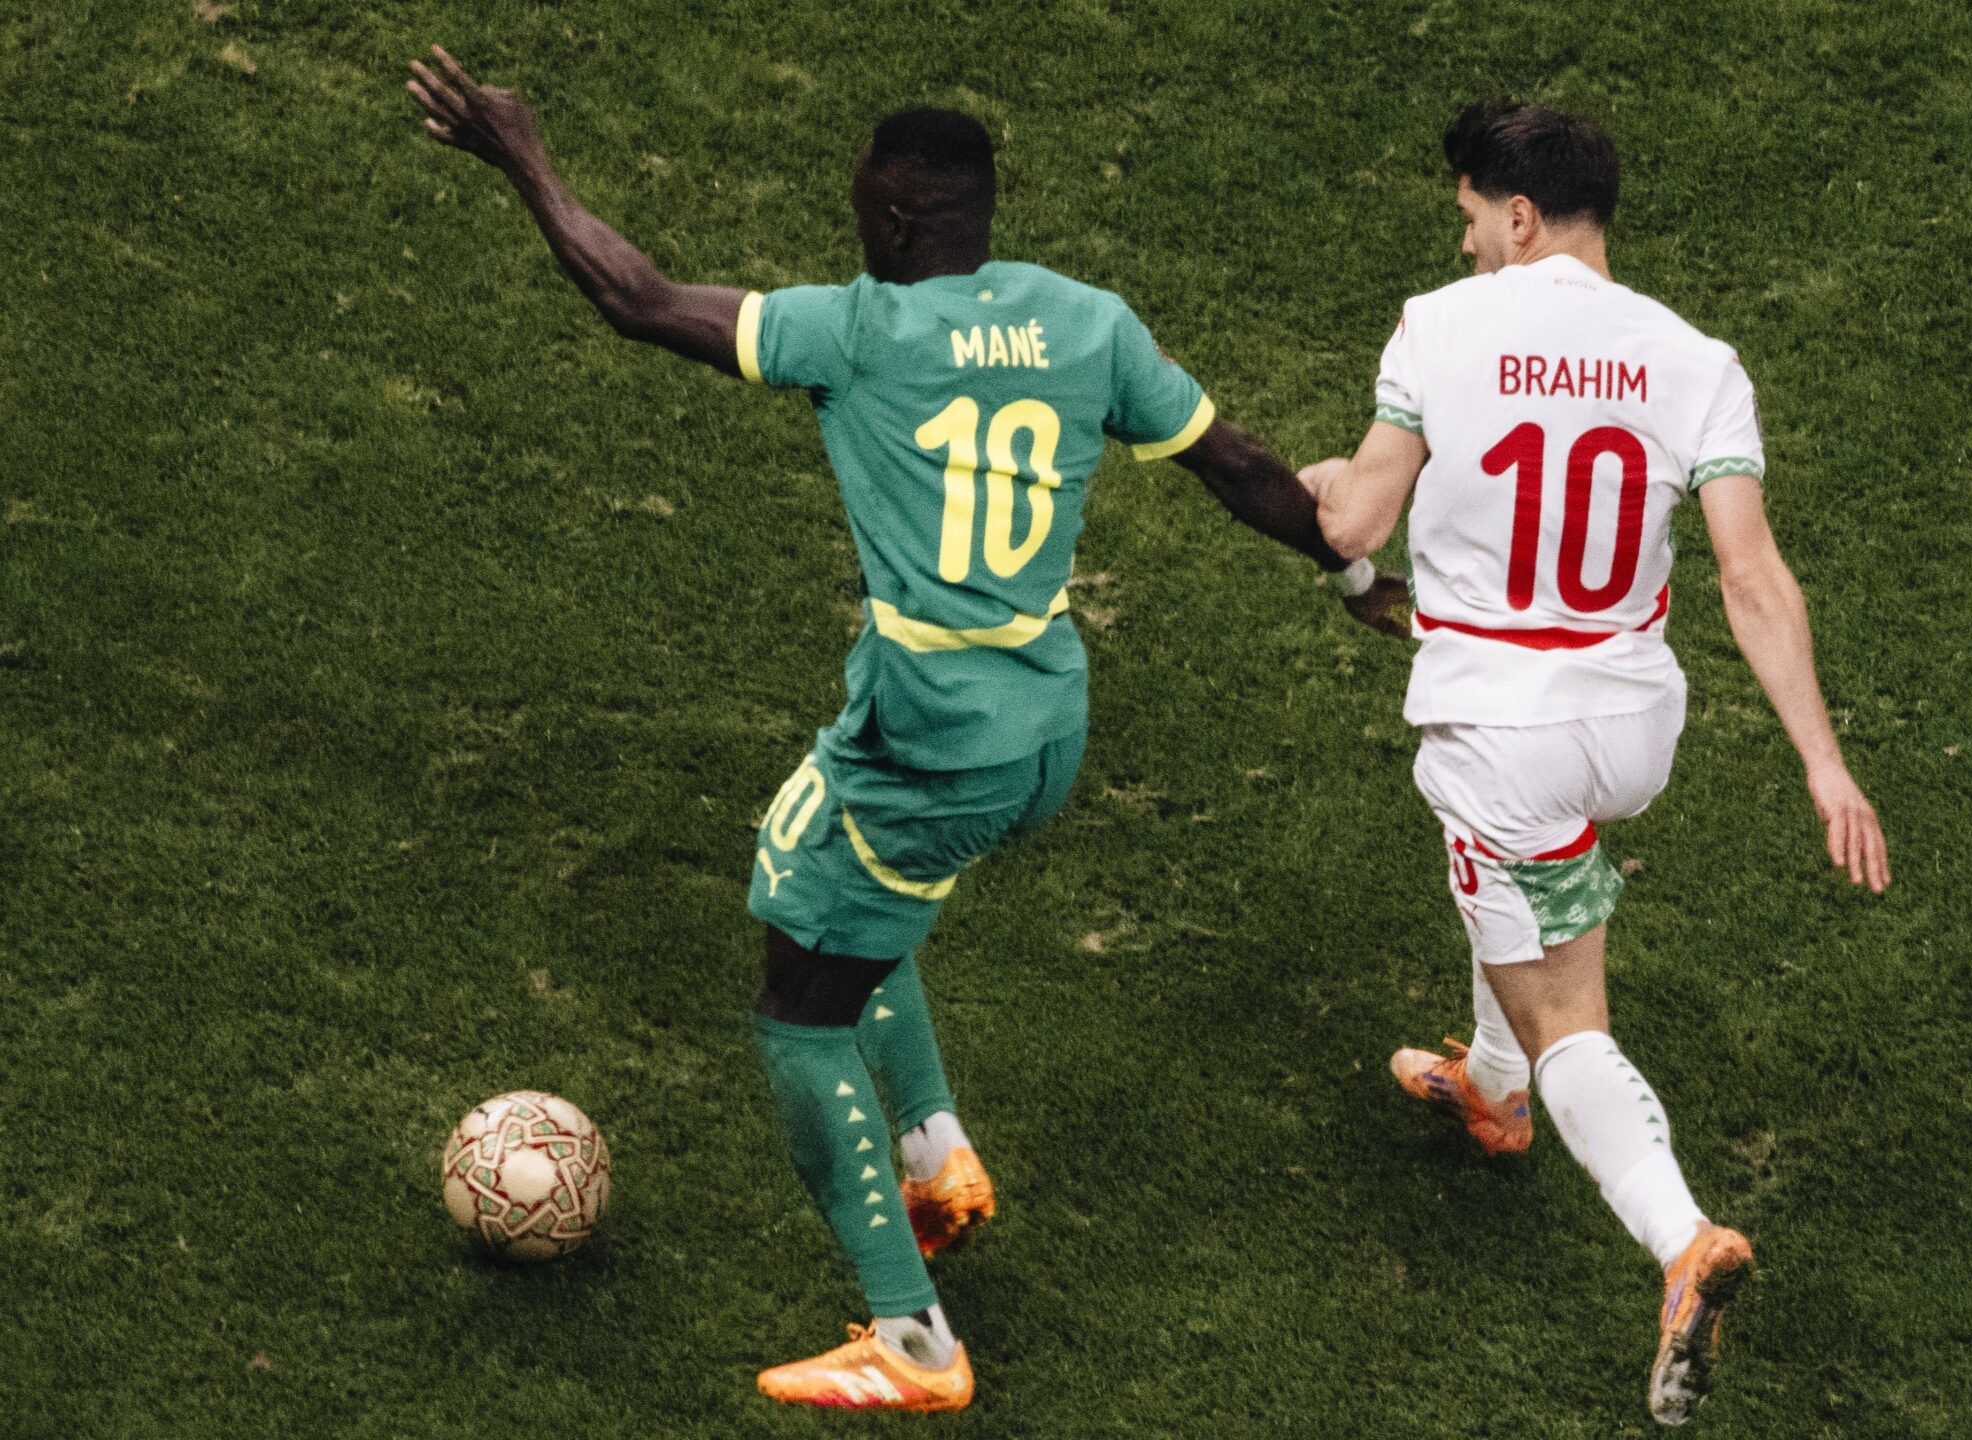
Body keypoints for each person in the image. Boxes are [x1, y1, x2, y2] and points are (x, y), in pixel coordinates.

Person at [403, 47, 1403, 1413]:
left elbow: (635, 299)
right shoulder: (1089, 323)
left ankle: (913, 1336)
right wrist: (1351, 569)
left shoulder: (860, 330)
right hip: (1043, 726)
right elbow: (1240, 470)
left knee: (798, 1009)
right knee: (818, 879)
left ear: (896, 214)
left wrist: (522, 155)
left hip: (931, 743)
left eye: (860, 204)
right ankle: (936, 1158)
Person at [1297, 96, 1891, 1426]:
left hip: (1507, 737)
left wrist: (1322, 497)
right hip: (1630, 728)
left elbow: (1359, 519)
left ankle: (1683, 1241)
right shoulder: (1696, 360)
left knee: (1566, 1008)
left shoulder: (1439, 326)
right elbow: (1752, 578)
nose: (1463, 245)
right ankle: (1490, 1088)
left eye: (1470, 220)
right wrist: (1824, 764)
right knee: (1522, 880)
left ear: (1517, 217)